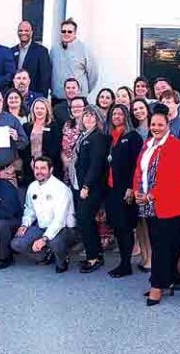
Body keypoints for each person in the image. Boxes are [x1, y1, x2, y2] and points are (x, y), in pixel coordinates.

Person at [133, 105, 180, 306]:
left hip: (171, 205)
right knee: (160, 244)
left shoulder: (175, 146)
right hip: (150, 204)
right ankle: (166, 280)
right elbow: (139, 170)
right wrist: (137, 191)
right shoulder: (148, 143)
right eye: (153, 124)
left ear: (168, 125)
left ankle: (157, 287)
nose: (156, 127)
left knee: (162, 247)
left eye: (160, 124)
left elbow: (171, 178)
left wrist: (150, 195)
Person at [11, 156, 77, 272]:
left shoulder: (61, 189)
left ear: (51, 170)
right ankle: (45, 255)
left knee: (54, 241)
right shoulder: (32, 186)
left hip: (64, 229)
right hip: (41, 226)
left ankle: (62, 259)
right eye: (36, 168)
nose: (39, 172)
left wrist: (44, 239)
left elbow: (59, 220)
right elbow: (29, 209)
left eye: (43, 168)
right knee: (17, 243)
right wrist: (24, 224)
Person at [105, 104, 143, 277]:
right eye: (114, 113)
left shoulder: (133, 137)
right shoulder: (109, 137)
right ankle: (122, 261)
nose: (117, 116)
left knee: (125, 226)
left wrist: (131, 187)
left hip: (126, 189)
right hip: (111, 188)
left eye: (120, 113)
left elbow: (137, 164)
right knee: (117, 227)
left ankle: (126, 264)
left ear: (126, 116)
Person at [71, 105, 109, 273]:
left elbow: (96, 164)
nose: (88, 119)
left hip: (91, 187)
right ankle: (96, 253)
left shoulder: (98, 137)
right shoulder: (84, 135)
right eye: (85, 116)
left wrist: (86, 185)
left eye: (92, 116)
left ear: (98, 119)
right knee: (86, 221)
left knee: (84, 219)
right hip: (80, 185)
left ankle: (93, 258)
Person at [50, 18, 98, 102]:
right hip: (58, 98)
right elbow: (50, 71)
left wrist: (83, 90)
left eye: (69, 31)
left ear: (75, 33)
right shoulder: (54, 50)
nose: (66, 34)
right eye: (63, 31)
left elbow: (93, 74)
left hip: (78, 99)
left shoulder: (83, 49)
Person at [129, 97, 152, 270]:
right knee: (139, 221)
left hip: (152, 182)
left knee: (149, 221)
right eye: (135, 109)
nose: (138, 111)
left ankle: (151, 258)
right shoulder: (134, 132)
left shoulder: (155, 129)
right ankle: (144, 255)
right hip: (137, 180)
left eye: (141, 108)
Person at [21, 97, 62, 184]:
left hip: (49, 165)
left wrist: (41, 162)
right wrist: (31, 160)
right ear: (33, 110)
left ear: (47, 110)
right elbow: (24, 147)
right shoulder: (26, 127)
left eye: (42, 108)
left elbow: (56, 147)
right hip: (30, 166)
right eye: (37, 108)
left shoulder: (54, 126)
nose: (39, 111)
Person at [11, 20, 52, 98]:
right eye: (20, 31)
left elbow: (45, 78)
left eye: (26, 30)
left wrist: (42, 99)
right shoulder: (12, 51)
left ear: (31, 32)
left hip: (34, 96)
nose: (23, 33)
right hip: (15, 96)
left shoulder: (41, 51)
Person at [60, 96, 86, 184]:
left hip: (82, 168)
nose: (76, 109)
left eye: (79, 106)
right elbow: (62, 146)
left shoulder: (89, 126)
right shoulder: (67, 124)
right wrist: (64, 159)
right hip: (67, 168)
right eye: (73, 107)